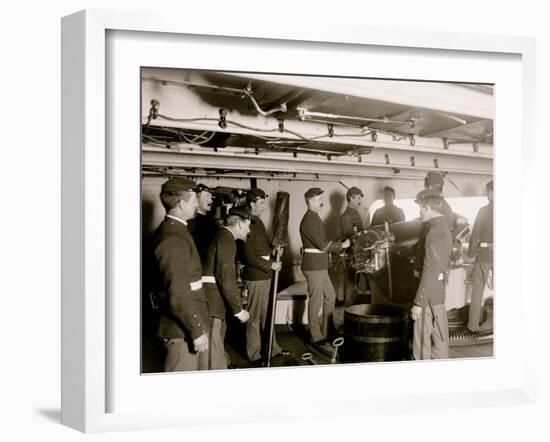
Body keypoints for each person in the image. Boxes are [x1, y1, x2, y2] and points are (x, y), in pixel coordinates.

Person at [152, 177, 209, 372]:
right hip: (181, 329)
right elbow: (178, 293)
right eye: (194, 200)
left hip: (186, 323)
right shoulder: (172, 238)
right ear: (183, 203)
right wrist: (196, 330)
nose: (197, 204)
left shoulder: (177, 231)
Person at [240, 188, 286, 364]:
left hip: (265, 275)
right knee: (253, 318)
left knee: (269, 315)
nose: (263, 207)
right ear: (251, 204)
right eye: (260, 204)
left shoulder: (257, 222)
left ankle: (273, 349)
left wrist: (272, 249)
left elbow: (262, 246)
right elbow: (248, 256)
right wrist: (270, 264)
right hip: (255, 277)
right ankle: (254, 354)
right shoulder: (246, 222)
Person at [202, 206, 252, 369]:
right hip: (213, 301)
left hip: (214, 299)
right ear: (239, 224)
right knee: (212, 348)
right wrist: (238, 310)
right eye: (248, 225)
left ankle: (223, 366)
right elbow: (225, 278)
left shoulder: (222, 237)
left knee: (217, 341)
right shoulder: (227, 240)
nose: (249, 230)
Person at [300, 188, 350, 345]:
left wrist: (336, 243)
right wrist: (342, 245)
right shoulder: (310, 219)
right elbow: (322, 245)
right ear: (311, 201)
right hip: (314, 266)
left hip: (319, 265)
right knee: (315, 301)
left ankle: (328, 330)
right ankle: (315, 335)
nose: (322, 202)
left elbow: (321, 242)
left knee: (330, 296)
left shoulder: (314, 218)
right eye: (319, 199)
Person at [410, 189, 453, 360]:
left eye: (420, 208)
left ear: (427, 207)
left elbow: (429, 269)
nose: (419, 212)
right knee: (441, 339)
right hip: (438, 293)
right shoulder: (443, 226)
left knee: (421, 344)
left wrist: (418, 303)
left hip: (427, 295)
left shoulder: (433, 232)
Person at [466, 180, 493, 331]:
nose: (486, 195)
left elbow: (475, 233)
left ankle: (473, 326)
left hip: (484, 255)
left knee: (477, 291)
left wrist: (470, 254)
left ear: (492, 192)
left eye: (487, 192)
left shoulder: (483, 211)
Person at [340, 186, 365, 307]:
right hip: (352, 256)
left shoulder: (355, 213)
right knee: (351, 285)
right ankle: (349, 314)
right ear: (351, 198)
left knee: (355, 285)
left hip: (359, 254)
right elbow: (348, 238)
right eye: (358, 198)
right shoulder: (347, 216)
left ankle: (353, 312)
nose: (360, 201)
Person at [188, 183, 217, 264]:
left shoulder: (209, 220)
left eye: (211, 197)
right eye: (206, 197)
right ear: (196, 199)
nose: (210, 201)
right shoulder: (192, 221)